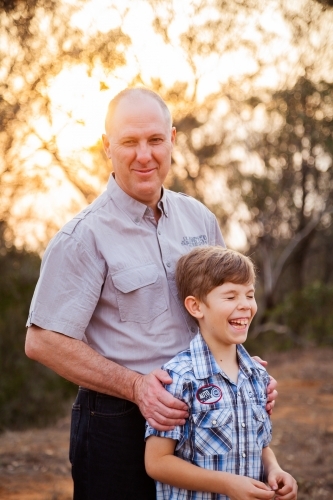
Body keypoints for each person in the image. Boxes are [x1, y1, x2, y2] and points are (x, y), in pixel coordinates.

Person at [25, 88, 278, 500]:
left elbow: (221, 306)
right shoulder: (82, 236)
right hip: (116, 424)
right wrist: (137, 387)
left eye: (155, 140)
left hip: (203, 413)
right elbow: (42, 341)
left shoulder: (200, 219)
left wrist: (244, 371)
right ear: (107, 147)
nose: (144, 155)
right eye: (129, 142)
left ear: (172, 139)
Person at [145, 246, 297, 500]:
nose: (245, 305)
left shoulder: (257, 376)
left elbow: (260, 445)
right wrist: (226, 485)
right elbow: (157, 462)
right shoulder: (179, 378)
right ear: (196, 307)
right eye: (230, 297)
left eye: (250, 295)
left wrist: (275, 469)